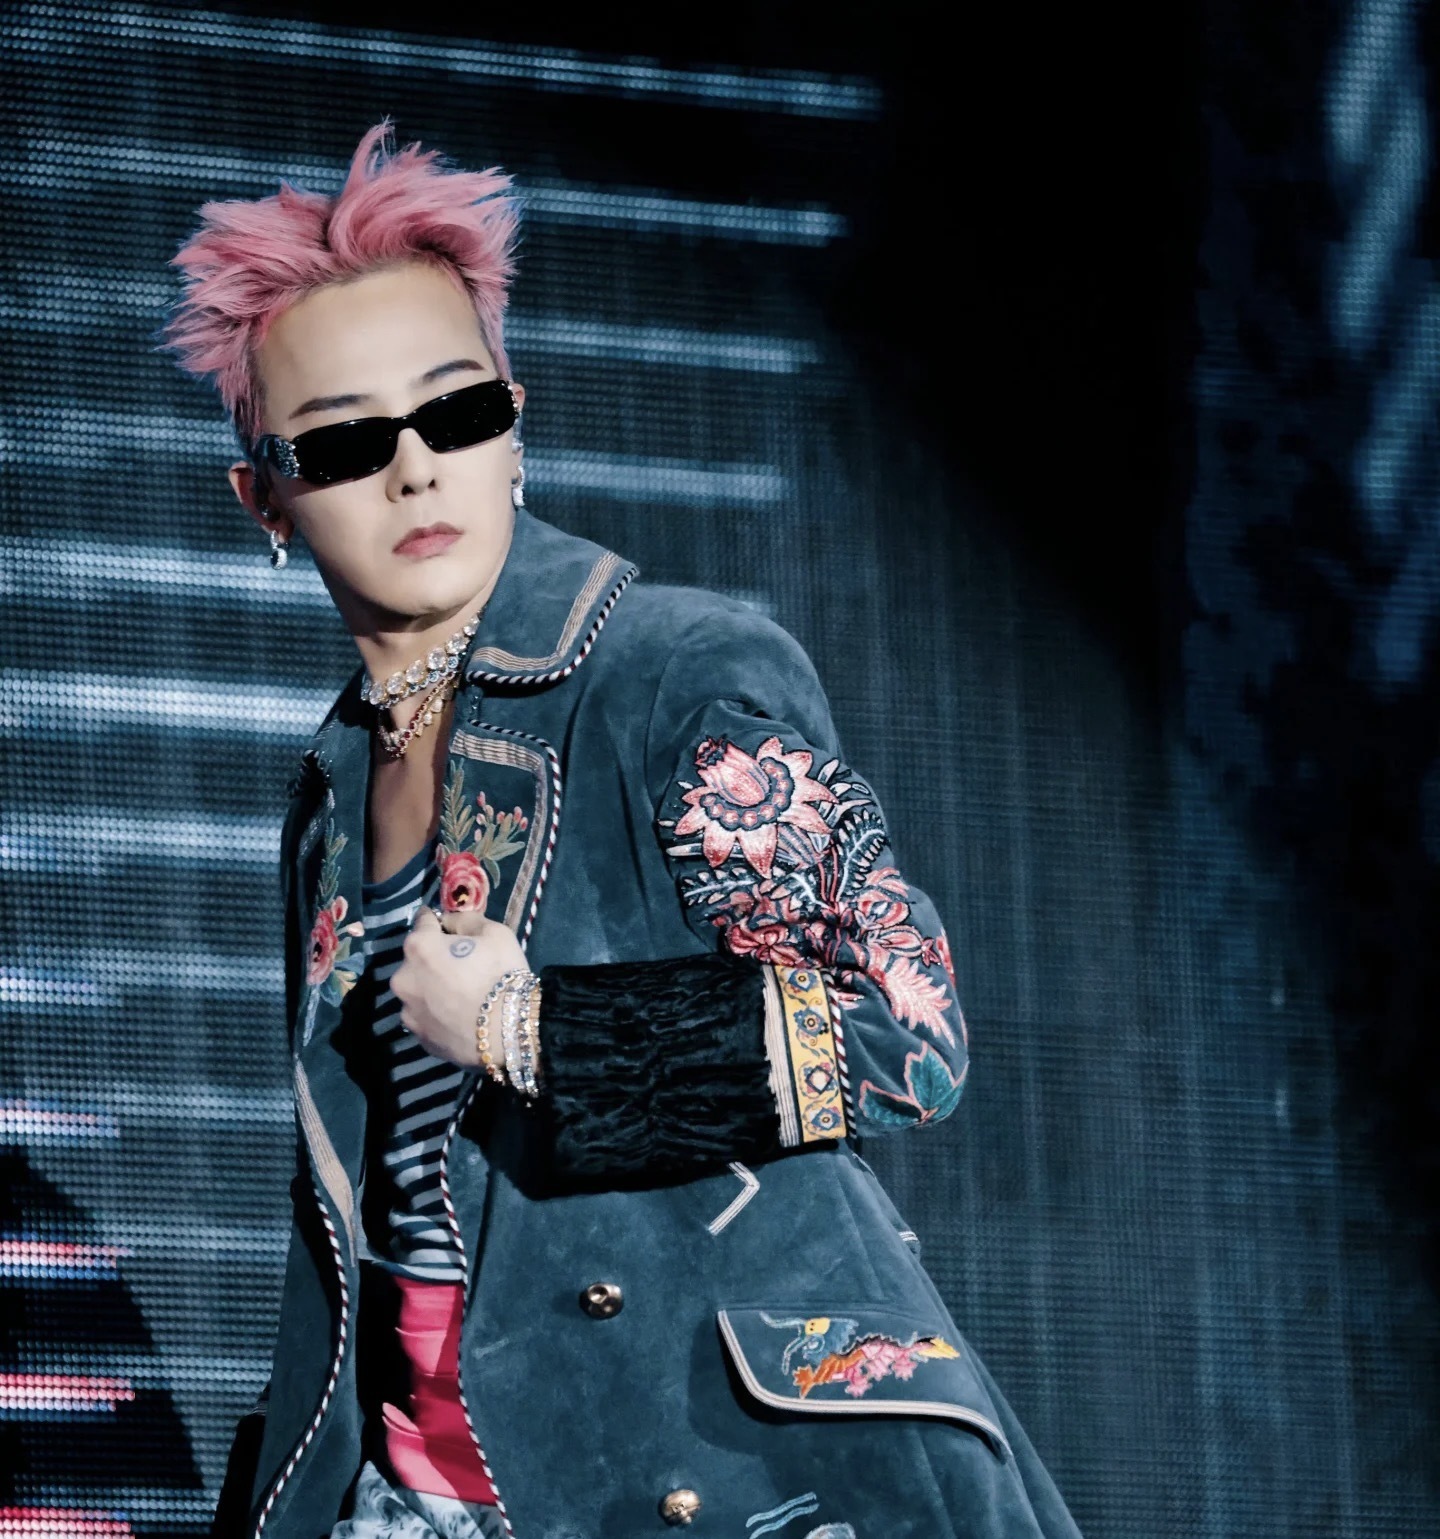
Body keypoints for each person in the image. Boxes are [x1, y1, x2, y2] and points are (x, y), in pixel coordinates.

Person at [165, 121, 1082, 1539]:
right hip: (423, 1495)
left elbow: (904, 1030)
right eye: (345, 441)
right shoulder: (331, 787)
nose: (414, 471)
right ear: (265, 499)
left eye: (455, 413)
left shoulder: (667, 671)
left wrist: (531, 1032)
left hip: (716, 1473)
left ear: (513, 423)